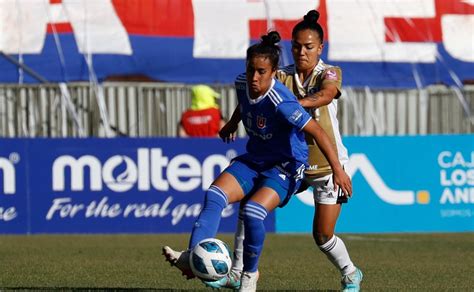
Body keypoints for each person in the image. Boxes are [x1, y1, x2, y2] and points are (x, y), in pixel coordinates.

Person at [162, 31, 352, 292]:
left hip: (288, 165)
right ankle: (193, 256)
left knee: (267, 217)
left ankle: (249, 277)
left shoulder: (286, 98)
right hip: (256, 158)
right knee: (215, 194)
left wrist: (339, 170)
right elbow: (245, 101)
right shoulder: (243, 83)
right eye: (251, 70)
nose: (254, 77)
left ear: (273, 72)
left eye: (261, 72)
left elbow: (318, 129)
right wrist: (232, 121)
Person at [206, 10, 363, 292]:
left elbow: (326, 95)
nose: (302, 52)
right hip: (293, 163)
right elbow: (254, 96)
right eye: (296, 46)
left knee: (323, 235)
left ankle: (350, 273)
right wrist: (233, 120)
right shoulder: (280, 75)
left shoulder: (329, 72)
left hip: (328, 165)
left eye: (308, 47)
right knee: (249, 205)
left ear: (320, 48)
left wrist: (290, 107)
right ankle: (238, 273)